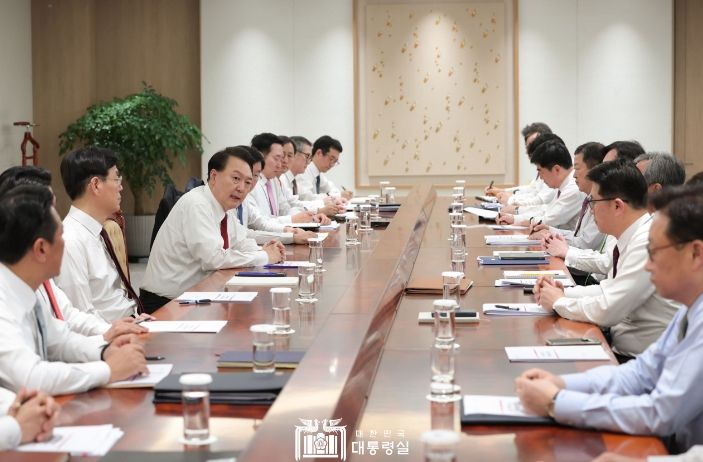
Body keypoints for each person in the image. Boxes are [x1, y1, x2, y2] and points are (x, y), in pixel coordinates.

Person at [516, 183, 703, 455]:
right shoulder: (690, 308)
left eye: (654, 252)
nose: (648, 264)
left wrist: (557, 401)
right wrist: (562, 384)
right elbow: (641, 373)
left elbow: (660, 412)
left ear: (695, 253)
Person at [0, 185, 147, 394]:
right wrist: (108, 370)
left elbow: (60, 340)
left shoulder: (28, 287)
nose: (65, 242)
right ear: (41, 248)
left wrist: (105, 351)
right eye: (61, 235)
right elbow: (30, 377)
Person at [533, 160, 680, 359]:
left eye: (593, 202)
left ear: (617, 206)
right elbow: (608, 289)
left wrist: (559, 302)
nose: (590, 209)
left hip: (638, 360)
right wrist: (562, 292)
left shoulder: (647, 241)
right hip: (622, 350)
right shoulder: (632, 234)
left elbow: (608, 309)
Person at [0, 165, 148, 341]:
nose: (55, 219)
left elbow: (65, 321)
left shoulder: (35, 273)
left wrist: (113, 332)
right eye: (49, 210)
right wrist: (109, 343)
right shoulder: (70, 240)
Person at [141, 146, 285, 310]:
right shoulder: (197, 204)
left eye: (247, 182)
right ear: (214, 176)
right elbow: (213, 259)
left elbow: (240, 241)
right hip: (166, 304)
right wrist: (264, 256)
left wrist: (265, 250)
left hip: (196, 297)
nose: (241, 188)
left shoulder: (224, 207)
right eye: (236, 178)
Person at [56, 147, 142, 322]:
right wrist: (119, 330)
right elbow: (79, 316)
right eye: (116, 179)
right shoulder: (71, 240)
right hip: (110, 334)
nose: (121, 187)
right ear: (96, 185)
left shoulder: (96, 231)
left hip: (131, 322)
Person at [529, 141, 606, 251]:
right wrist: (550, 230)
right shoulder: (589, 198)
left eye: (577, 169)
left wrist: (550, 234)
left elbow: (584, 244)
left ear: (595, 170)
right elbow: (577, 236)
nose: (574, 175)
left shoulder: (601, 201)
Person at [236, 146, 319, 244]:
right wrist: (290, 235)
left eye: (255, 175)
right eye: (236, 178)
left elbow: (262, 223)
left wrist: (288, 230)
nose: (282, 163)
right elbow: (244, 235)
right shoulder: (246, 191)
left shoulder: (274, 181)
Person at [497, 137, 585, 228]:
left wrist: (517, 220)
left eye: (541, 171)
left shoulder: (573, 188)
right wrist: (515, 218)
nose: (541, 178)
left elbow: (549, 220)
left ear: (556, 169)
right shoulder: (563, 185)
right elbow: (545, 210)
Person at [487, 122, 555, 207]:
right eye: (527, 147)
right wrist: (503, 191)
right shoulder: (543, 167)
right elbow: (531, 190)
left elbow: (540, 201)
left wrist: (510, 199)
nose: (528, 152)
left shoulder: (553, 168)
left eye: (532, 147)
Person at [279, 136, 343, 217]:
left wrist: (325, 203)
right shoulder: (283, 179)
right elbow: (305, 198)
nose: (309, 162)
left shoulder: (290, 178)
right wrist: (320, 208)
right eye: (307, 156)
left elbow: (294, 203)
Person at [297, 135, 352, 201]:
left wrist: (338, 195)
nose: (332, 164)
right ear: (319, 153)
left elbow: (332, 188)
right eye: (331, 159)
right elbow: (306, 197)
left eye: (335, 161)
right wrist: (338, 195)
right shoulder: (303, 170)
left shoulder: (318, 174)